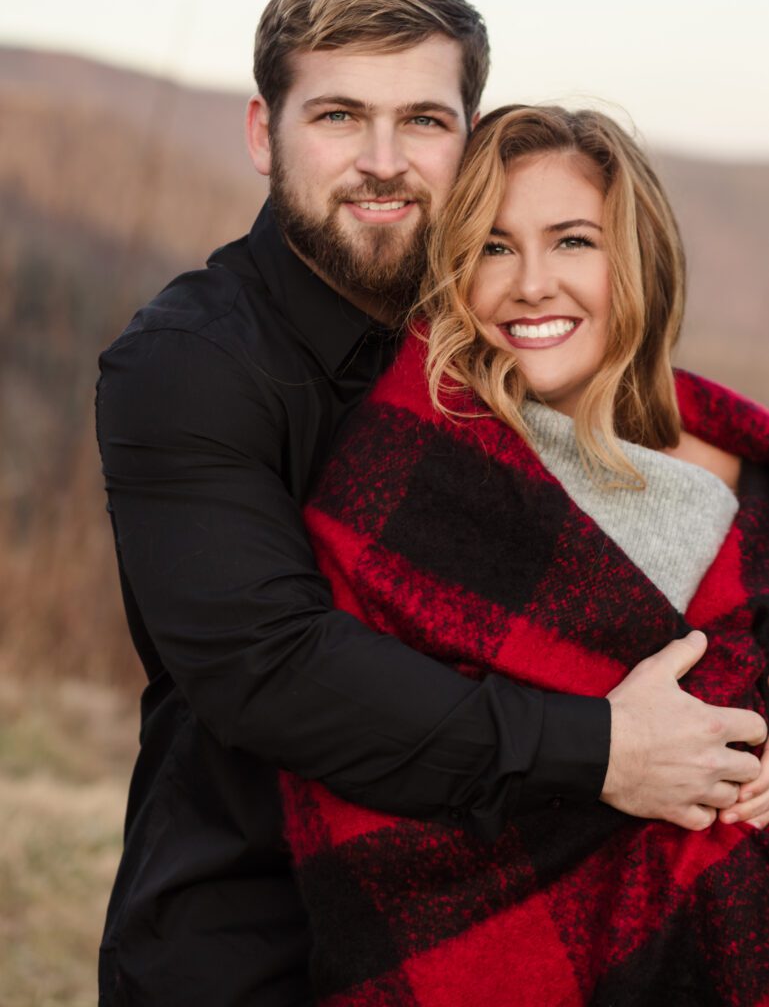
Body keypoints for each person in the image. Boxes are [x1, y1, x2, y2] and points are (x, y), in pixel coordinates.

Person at [94, 0, 766, 1004]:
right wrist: (604, 749)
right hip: (248, 937)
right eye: (337, 115)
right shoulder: (190, 364)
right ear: (262, 133)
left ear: (467, 140)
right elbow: (271, 665)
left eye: (421, 119)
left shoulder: (502, 341)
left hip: (519, 920)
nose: (382, 158)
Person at [281, 103, 769, 1005]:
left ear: (636, 259)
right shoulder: (400, 480)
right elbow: (361, 753)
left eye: (573, 241)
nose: (530, 283)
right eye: (492, 248)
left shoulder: (731, 465)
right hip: (492, 948)